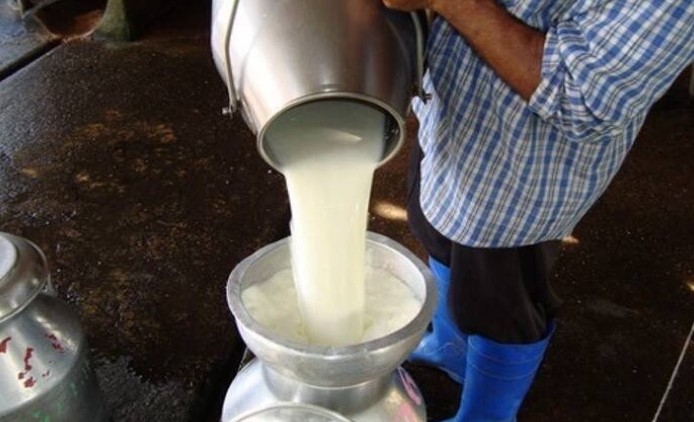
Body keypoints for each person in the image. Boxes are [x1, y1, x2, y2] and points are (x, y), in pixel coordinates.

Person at [380, 0, 694, 421]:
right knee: (436, 228)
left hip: (522, 169)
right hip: (453, 116)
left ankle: (488, 414)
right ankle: (451, 349)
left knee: (501, 304)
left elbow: (583, 96)